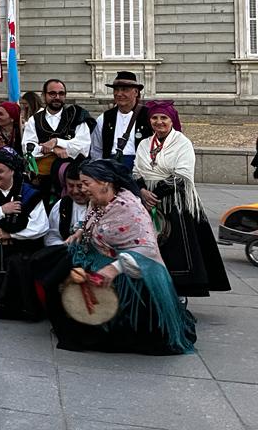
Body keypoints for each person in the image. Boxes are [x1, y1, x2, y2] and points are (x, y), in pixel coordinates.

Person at [39, 159, 196, 355]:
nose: (83, 188)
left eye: (87, 183)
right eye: (81, 183)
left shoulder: (128, 208)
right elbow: (93, 220)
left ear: (105, 182)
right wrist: (80, 232)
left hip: (133, 272)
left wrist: (113, 269)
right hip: (100, 256)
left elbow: (146, 249)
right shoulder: (100, 199)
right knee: (48, 264)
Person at [135, 101, 230, 298]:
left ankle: (181, 292)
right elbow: (136, 171)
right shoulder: (145, 143)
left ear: (172, 120)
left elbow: (183, 175)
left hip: (176, 203)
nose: (159, 122)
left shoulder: (182, 143)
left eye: (164, 118)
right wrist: (143, 191)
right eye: (154, 118)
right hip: (148, 202)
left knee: (177, 250)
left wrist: (156, 193)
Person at [0, 147, 48, 319]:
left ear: (12, 171)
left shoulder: (29, 193)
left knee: (17, 264)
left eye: (0, 171)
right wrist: (1, 211)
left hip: (19, 250)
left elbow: (40, 226)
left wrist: (11, 235)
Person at [22, 79, 92, 203]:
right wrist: (55, 150)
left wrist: (57, 142)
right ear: (44, 96)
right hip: (41, 180)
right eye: (52, 93)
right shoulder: (35, 119)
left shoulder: (77, 116)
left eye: (61, 94)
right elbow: (28, 149)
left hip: (71, 182)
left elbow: (83, 146)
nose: (57, 97)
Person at [90, 71, 152, 169]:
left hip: (142, 168)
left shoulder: (149, 116)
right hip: (111, 168)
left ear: (136, 92)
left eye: (124, 90)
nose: (119, 94)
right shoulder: (104, 118)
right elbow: (96, 149)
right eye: (116, 90)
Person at [44, 160, 89, 247]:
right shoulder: (62, 205)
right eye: (71, 186)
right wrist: (66, 247)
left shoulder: (101, 206)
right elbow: (51, 236)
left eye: (80, 186)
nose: (75, 191)